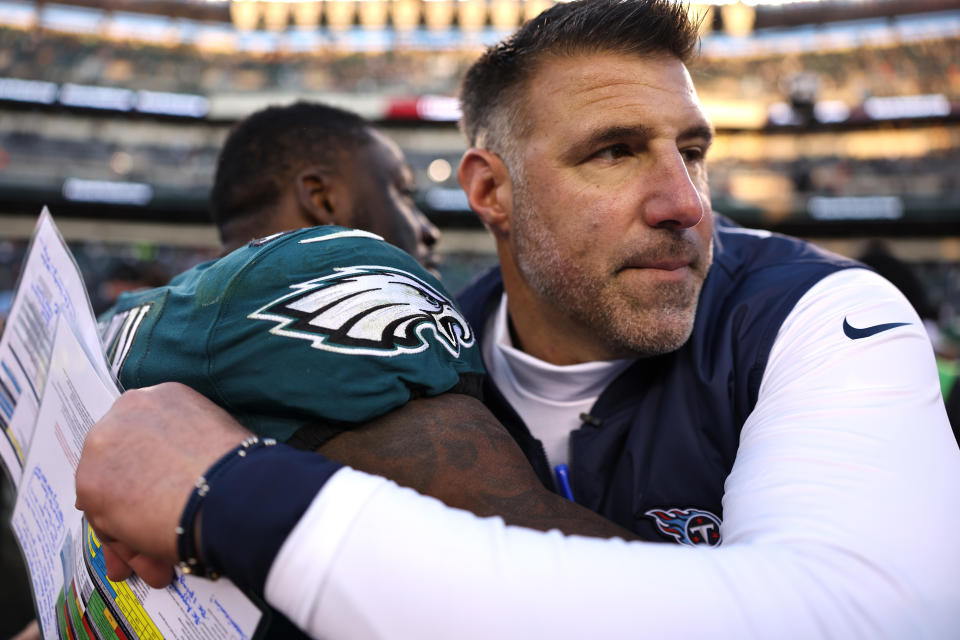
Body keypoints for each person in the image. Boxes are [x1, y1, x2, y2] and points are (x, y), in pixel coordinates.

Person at [78, 0, 959, 637]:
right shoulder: (412, 348)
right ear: (490, 190)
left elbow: (866, 621)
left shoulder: (817, 312)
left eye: (692, 152)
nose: (684, 204)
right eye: (614, 152)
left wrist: (229, 494)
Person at [210, 100, 440, 271]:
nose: (431, 232)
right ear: (323, 199)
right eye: (405, 194)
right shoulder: (371, 332)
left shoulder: (181, 320)